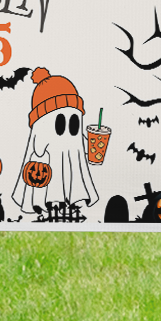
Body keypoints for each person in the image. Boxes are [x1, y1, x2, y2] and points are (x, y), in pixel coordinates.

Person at [10, 66, 99, 222]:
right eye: (59, 120)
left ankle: (73, 200)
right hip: (45, 173)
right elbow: (38, 150)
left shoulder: (76, 143)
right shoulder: (41, 148)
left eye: (73, 120)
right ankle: (50, 204)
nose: (68, 125)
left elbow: (88, 147)